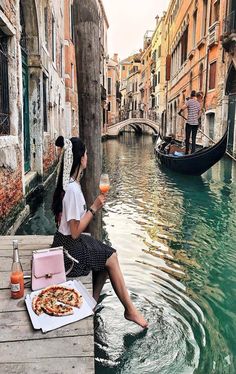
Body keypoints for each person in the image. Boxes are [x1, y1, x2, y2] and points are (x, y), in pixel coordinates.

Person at [51, 136, 148, 328]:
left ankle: (92, 303)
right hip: (68, 254)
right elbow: (76, 232)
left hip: (67, 243)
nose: (88, 156)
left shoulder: (72, 185)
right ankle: (130, 310)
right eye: (86, 153)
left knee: (106, 252)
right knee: (110, 257)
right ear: (80, 158)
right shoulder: (71, 190)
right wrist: (94, 207)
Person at [178, 90, 201, 154]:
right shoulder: (198, 103)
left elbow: (184, 107)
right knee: (194, 138)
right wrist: (196, 118)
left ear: (191, 96)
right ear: (195, 96)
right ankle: (193, 152)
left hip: (189, 123)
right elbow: (200, 113)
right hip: (195, 124)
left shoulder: (189, 101)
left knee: (187, 138)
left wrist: (180, 111)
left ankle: (187, 151)